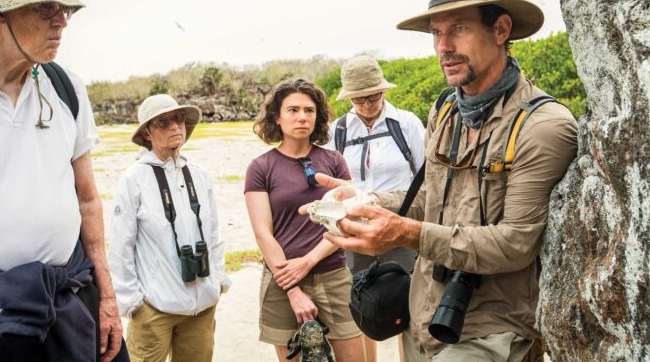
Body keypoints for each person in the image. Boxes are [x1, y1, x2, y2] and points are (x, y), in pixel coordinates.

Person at [303, 0, 578, 362]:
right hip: (426, 315)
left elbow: (516, 243)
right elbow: (431, 195)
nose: (442, 46)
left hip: (492, 329)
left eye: (459, 28)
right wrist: (367, 203)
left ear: (501, 30)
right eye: (436, 32)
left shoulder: (543, 125)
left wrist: (405, 234)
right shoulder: (446, 110)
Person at [0, 0, 124, 361]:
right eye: (46, 7)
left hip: (69, 301)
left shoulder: (66, 86)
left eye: (65, 8)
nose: (63, 21)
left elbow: (87, 198)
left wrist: (106, 296)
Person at [244, 78, 365, 362]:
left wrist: (309, 261)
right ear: (277, 116)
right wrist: (293, 289)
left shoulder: (334, 161)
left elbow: (345, 221)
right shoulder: (261, 167)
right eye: (293, 110)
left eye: (309, 110)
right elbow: (263, 234)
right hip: (281, 279)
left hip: (333, 274)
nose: (302, 117)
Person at [108, 94, 230, 362]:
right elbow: (120, 247)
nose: (175, 126)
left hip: (203, 306)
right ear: (147, 134)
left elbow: (212, 233)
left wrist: (217, 280)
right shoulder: (134, 178)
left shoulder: (199, 173)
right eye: (163, 122)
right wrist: (133, 303)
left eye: (179, 119)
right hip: (155, 309)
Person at [323, 55, 425, 362]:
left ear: (384, 91)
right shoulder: (336, 131)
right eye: (359, 98)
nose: (367, 104)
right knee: (364, 308)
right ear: (348, 96)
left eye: (374, 96)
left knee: (410, 305)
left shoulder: (406, 124)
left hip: (400, 228)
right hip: (356, 233)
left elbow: (425, 179)